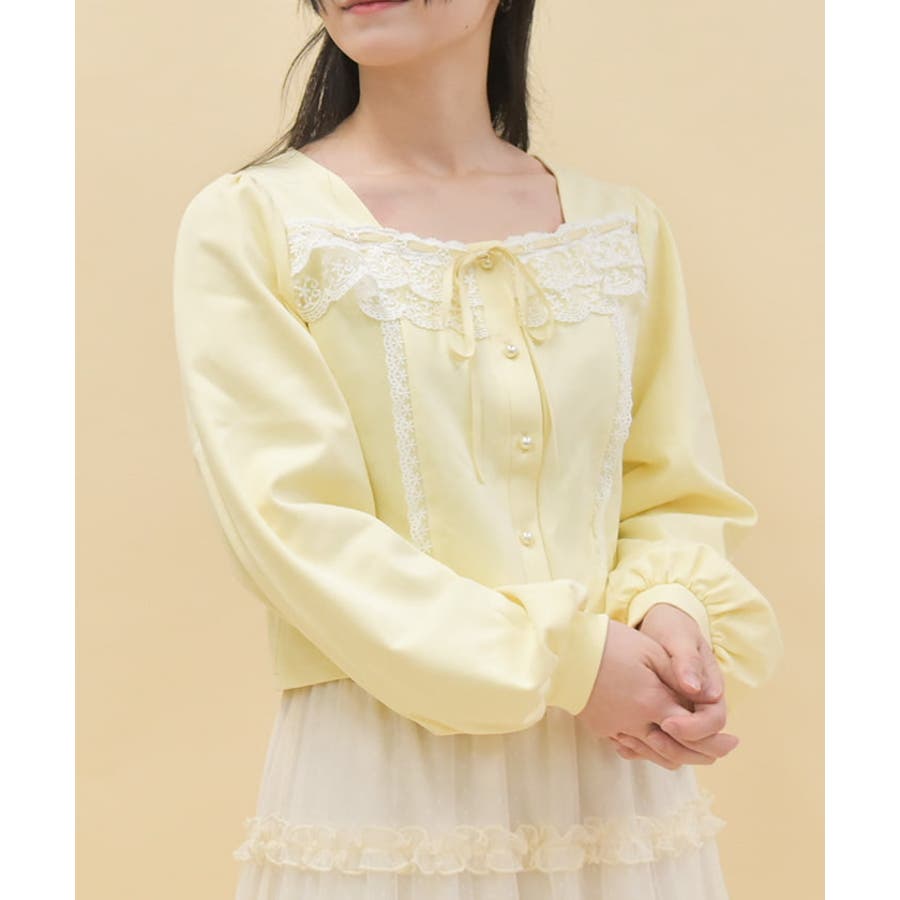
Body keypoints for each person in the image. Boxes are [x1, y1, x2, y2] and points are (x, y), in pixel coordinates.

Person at [171, 1, 784, 897]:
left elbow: (670, 488)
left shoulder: (622, 230)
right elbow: (294, 526)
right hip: (388, 787)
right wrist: (570, 662)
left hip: (613, 783)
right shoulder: (256, 223)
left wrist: (672, 617)